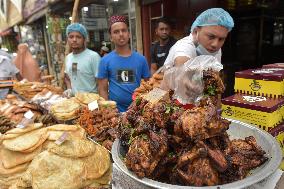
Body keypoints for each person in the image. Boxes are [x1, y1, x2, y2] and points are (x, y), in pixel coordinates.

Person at [97, 15, 150, 112]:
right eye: (116, 32)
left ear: (129, 34)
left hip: (138, 112)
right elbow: (103, 90)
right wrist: (108, 111)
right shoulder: (105, 61)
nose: (121, 34)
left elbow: (148, 86)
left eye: (124, 30)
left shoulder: (141, 59)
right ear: (111, 37)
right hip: (116, 113)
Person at [164, 8, 234, 68]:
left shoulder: (215, 49)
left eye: (221, 39)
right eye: (211, 36)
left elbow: (214, 75)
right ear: (195, 32)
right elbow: (183, 75)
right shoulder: (184, 47)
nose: (215, 44)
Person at [64, 23, 101, 97]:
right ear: (67, 39)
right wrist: (69, 89)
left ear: (84, 39)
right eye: (71, 37)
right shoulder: (68, 57)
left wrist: (97, 104)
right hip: (75, 102)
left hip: (91, 102)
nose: (74, 40)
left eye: (78, 37)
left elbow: (101, 83)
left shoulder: (93, 56)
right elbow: (67, 77)